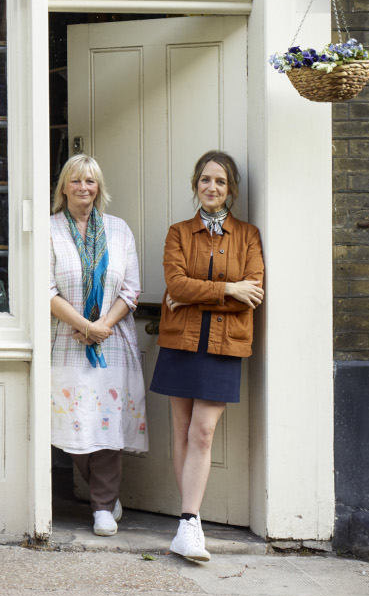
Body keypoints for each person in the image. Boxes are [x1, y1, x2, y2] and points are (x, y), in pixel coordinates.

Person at [152, 149, 264, 563]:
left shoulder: (248, 236)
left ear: (230, 188)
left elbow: (249, 296)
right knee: (182, 430)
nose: (212, 187)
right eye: (205, 180)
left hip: (223, 345)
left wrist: (223, 294)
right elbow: (175, 285)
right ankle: (189, 524)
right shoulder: (179, 233)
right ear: (196, 185)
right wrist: (227, 289)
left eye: (220, 181)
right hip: (181, 342)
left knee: (202, 433)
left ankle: (188, 523)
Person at [47, 153, 147, 536]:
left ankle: (103, 506)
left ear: (98, 187)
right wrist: (83, 325)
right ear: (64, 188)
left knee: (105, 425)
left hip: (111, 342)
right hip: (67, 340)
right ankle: (102, 493)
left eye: (90, 181)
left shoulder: (119, 230)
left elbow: (132, 288)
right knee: (73, 422)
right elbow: (46, 289)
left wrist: (101, 326)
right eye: (76, 181)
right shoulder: (51, 229)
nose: (83, 187)